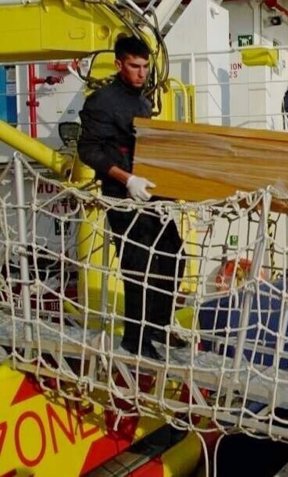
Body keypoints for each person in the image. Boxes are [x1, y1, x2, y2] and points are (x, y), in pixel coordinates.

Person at [77, 35, 186, 360]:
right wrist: (128, 180)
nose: (141, 73)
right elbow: (88, 150)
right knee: (137, 266)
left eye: (145, 67)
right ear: (119, 64)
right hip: (122, 195)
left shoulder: (142, 102)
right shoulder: (100, 102)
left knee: (173, 253)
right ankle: (135, 340)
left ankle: (157, 325)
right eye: (135, 66)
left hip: (150, 192)